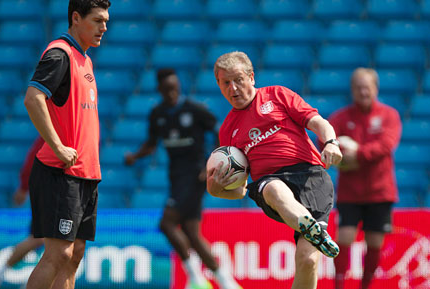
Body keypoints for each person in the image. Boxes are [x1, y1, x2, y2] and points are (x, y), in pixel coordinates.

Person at [207, 51, 342, 289]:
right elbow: (239, 191)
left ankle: (311, 231)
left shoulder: (277, 95)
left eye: (238, 79)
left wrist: (331, 142)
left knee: (308, 260)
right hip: (268, 183)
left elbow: (318, 122)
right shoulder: (228, 131)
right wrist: (216, 190)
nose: (233, 88)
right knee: (275, 189)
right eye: (225, 83)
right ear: (219, 85)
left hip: (310, 176)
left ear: (251, 77)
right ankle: (312, 229)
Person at [125, 68, 242, 289]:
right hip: (176, 177)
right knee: (191, 233)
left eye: (175, 88)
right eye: (167, 89)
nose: (172, 93)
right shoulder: (157, 114)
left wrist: (213, 162)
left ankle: (196, 278)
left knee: (167, 223)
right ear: (160, 89)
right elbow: (151, 143)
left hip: (195, 175)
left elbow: (221, 133)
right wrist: (135, 156)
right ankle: (227, 282)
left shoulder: (194, 110)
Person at [23, 0, 109, 288]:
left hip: (86, 173)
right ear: (76, 18)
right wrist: (59, 146)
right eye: (97, 20)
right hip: (60, 172)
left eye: (106, 22)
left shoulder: (84, 59)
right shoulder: (59, 53)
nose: (104, 28)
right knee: (59, 254)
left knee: (74, 256)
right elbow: (33, 98)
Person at [328, 68, 402, 289]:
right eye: (358, 87)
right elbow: (327, 144)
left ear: (375, 89)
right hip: (350, 192)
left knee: (374, 243)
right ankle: (339, 286)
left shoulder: (389, 115)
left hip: (380, 191)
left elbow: (387, 145)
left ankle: (365, 286)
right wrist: (338, 154)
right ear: (352, 90)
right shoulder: (340, 118)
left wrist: (357, 153)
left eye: (367, 87)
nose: (363, 91)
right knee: (344, 237)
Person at [0, 137, 45, 289]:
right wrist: (24, 186)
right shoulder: (58, 126)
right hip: (49, 189)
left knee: (52, 243)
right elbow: (35, 156)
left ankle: (33, 282)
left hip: (62, 189)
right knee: (39, 239)